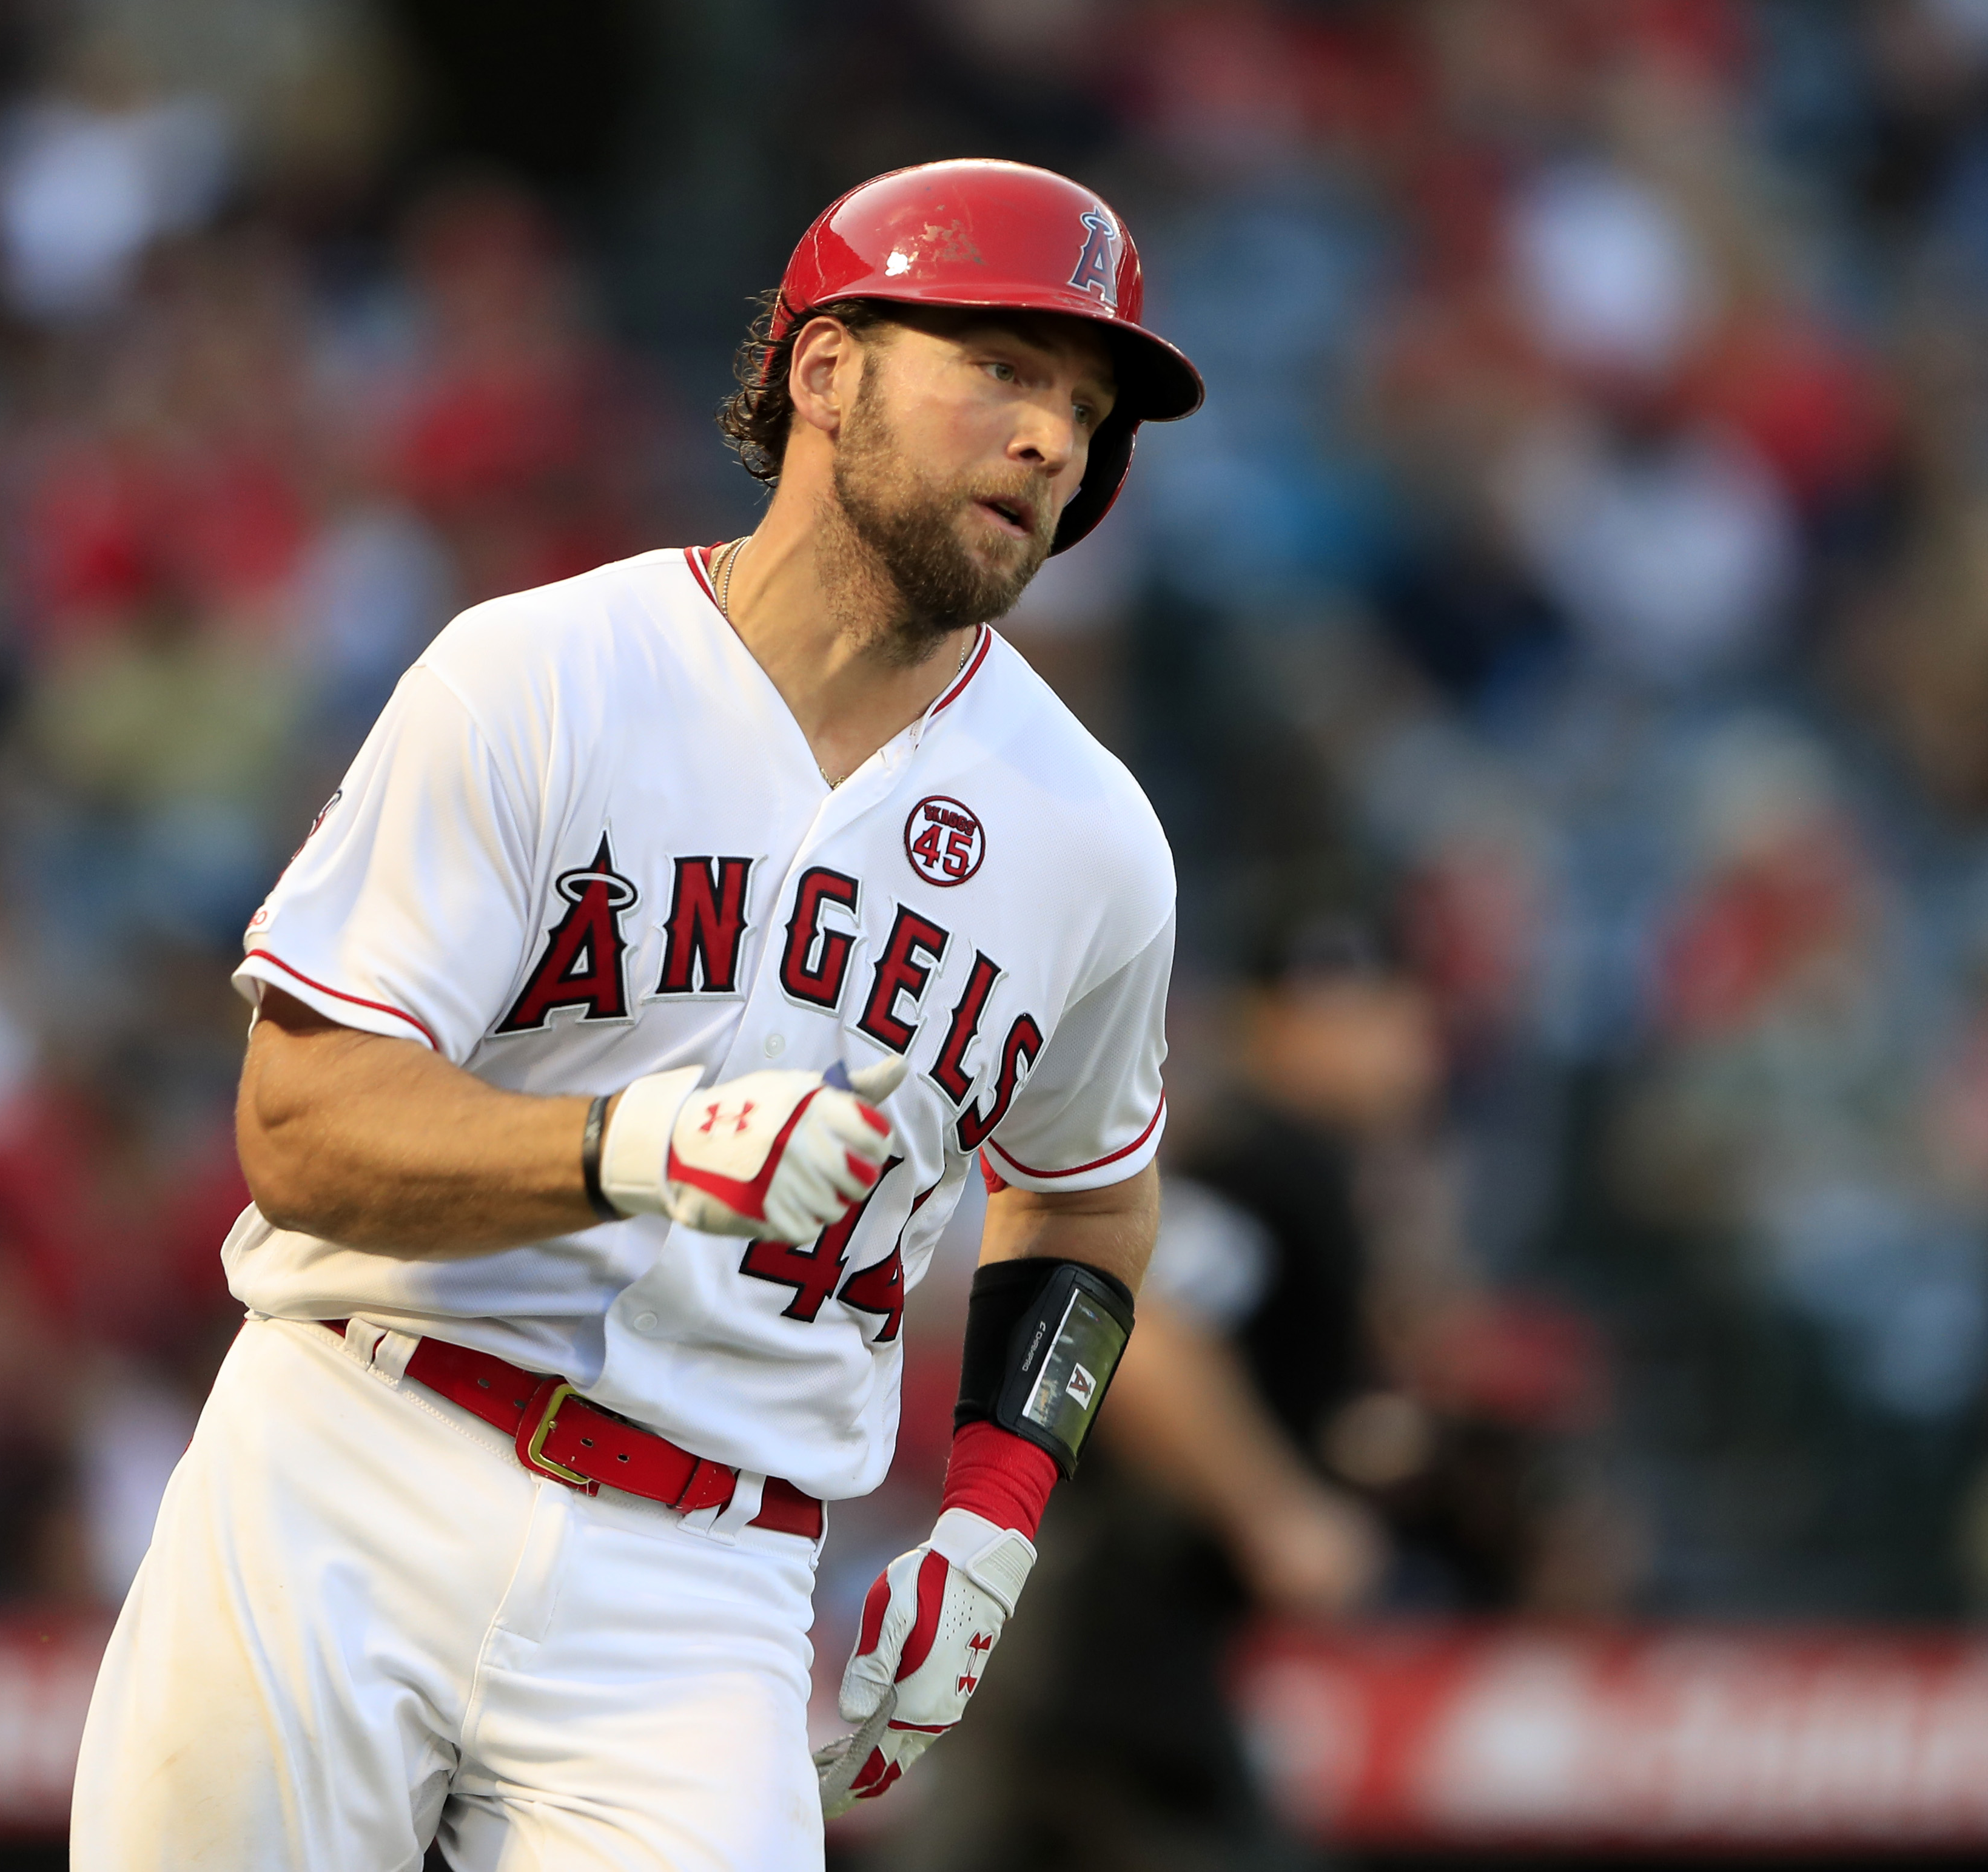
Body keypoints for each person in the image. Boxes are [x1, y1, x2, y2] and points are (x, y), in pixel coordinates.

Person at [67, 158, 1203, 1871]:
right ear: (823, 370)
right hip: (356, 1455)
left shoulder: (1091, 837)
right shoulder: (539, 675)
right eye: (1002, 368)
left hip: (705, 1583)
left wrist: (993, 1508)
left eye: (1088, 406)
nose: (1054, 440)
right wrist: (639, 1144)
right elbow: (298, 1129)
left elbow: (1090, 1191)